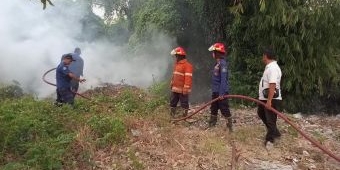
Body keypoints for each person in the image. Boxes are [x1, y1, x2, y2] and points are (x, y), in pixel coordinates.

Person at [257, 47, 282, 149]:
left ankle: (270, 140)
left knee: (270, 120)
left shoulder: (273, 68)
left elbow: (272, 85)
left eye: (263, 55)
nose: (262, 57)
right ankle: (275, 133)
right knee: (261, 113)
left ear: (266, 56)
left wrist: (269, 101)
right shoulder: (269, 67)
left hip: (271, 99)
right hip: (265, 98)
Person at [208, 42, 233, 132]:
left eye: (213, 52)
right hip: (215, 91)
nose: (212, 54)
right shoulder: (217, 63)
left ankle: (230, 127)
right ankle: (212, 124)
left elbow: (223, 80)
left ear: (217, 53)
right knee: (213, 108)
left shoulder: (223, 64)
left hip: (221, 92)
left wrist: (221, 93)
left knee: (224, 109)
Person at [169, 47, 193, 117]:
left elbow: (188, 78)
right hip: (175, 89)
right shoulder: (176, 64)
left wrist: (185, 89)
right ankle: (172, 115)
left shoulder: (188, 66)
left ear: (180, 56)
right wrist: (171, 83)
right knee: (173, 102)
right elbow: (174, 75)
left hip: (183, 90)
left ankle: (184, 117)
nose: (175, 57)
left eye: (176, 56)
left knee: (184, 103)